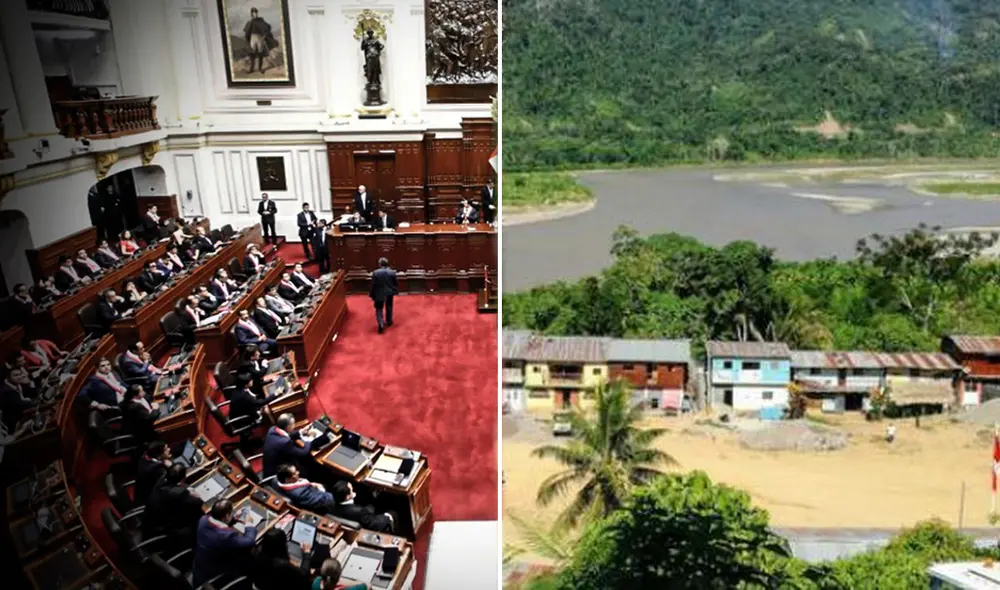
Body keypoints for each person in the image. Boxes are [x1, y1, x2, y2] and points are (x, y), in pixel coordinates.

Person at [192, 499, 258, 588]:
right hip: (213, 574)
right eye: (231, 513)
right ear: (226, 516)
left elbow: (218, 525)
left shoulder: (203, 519)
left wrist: (233, 518)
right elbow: (248, 542)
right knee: (250, 557)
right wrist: (249, 524)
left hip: (199, 565)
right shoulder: (226, 537)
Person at [143, 463, 203, 549]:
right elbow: (199, 502)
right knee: (193, 527)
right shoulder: (179, 493)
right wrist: (191, 493)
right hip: (158, 529)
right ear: (183, 478)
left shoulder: (162, 479)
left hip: (148, 518)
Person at [262, 413, 317, 479]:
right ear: (288, 427)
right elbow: (303, 452)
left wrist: (301, 432)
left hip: (269, 467)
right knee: (307, 463)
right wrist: (310, 438)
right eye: (293, 424)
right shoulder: (284, 443)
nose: (294, 425)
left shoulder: (273, 429)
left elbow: (286, 435)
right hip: (278, 475)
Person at [135, 440, 173, 504]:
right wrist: (171, 467)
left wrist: (163, 461)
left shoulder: (144, 457)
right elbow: (169, 485)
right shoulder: (159, 470)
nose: (169, 449)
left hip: (140, 493)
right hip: (150, 501)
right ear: (159, 455)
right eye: (166, 449)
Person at [369, 257, 397, 334]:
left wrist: (371, 294)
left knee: (379, 309)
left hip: (379, 293)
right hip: (389, 292)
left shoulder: (375, 272)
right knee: (389, 306)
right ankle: (389, 321)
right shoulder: (392, 272)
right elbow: (395, 283)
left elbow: (373, 285)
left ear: (379, 264)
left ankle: (380, 324)